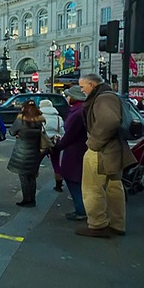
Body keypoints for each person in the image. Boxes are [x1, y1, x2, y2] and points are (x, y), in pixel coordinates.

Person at [77, 73, 136, 237]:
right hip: (113, 149)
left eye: (82, 87)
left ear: (91, 84)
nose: (82, 90)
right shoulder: (109, 95)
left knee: (92, 188)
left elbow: (109, 121)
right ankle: (117, 224)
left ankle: (97, 224)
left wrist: (93, 143)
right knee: (114, 187)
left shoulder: (103, 98)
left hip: (101, 149)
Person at [52, 86, 88, 221]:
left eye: (68, 95)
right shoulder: (80, 109)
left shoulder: (77, 112)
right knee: (77, 180)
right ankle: (81, 208)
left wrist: (58, 146)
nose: (67, 98)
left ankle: (81, 210)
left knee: (73, 180)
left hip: (75, 151)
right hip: (78, 149)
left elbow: (70, 135)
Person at [7, 100, 45, 207]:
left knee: (23, 177)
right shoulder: (39, 121)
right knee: (32, 177)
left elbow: (12, 131)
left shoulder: (21, 120)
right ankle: (32, 199)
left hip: (22, 152)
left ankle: (26, 199)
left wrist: (19, 133)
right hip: (35, 151)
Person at [39, 99, 65, 192]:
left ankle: (31, 185)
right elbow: (62, 132)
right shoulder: (58, 118)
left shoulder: (40, 117)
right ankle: (58, 185)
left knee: (36, 163)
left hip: (43, 143)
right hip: (55, 142)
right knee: (56, 164)